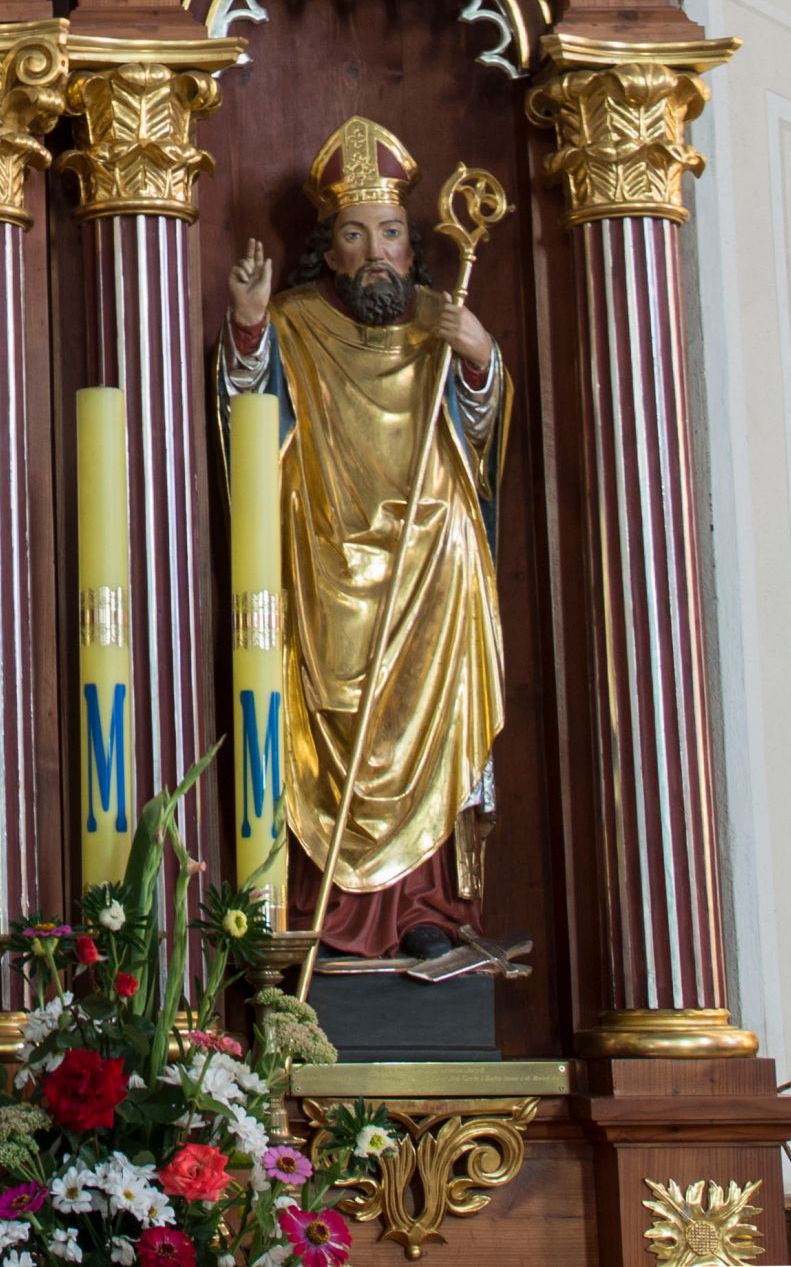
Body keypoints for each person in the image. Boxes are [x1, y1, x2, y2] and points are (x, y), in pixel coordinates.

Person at [215, 117, 508, 960]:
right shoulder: (298, 323)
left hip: (433, 569)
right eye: (354, 234)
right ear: (330, 249)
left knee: (429, 724)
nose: (375, 252)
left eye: (389, 233)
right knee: (328, 729)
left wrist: (480, 359)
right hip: (327, 560)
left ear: (412, 245)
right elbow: (252, 421)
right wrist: (248, 327)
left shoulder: (440, 323)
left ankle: (429, 910)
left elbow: (481, 443)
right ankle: (327, 913)